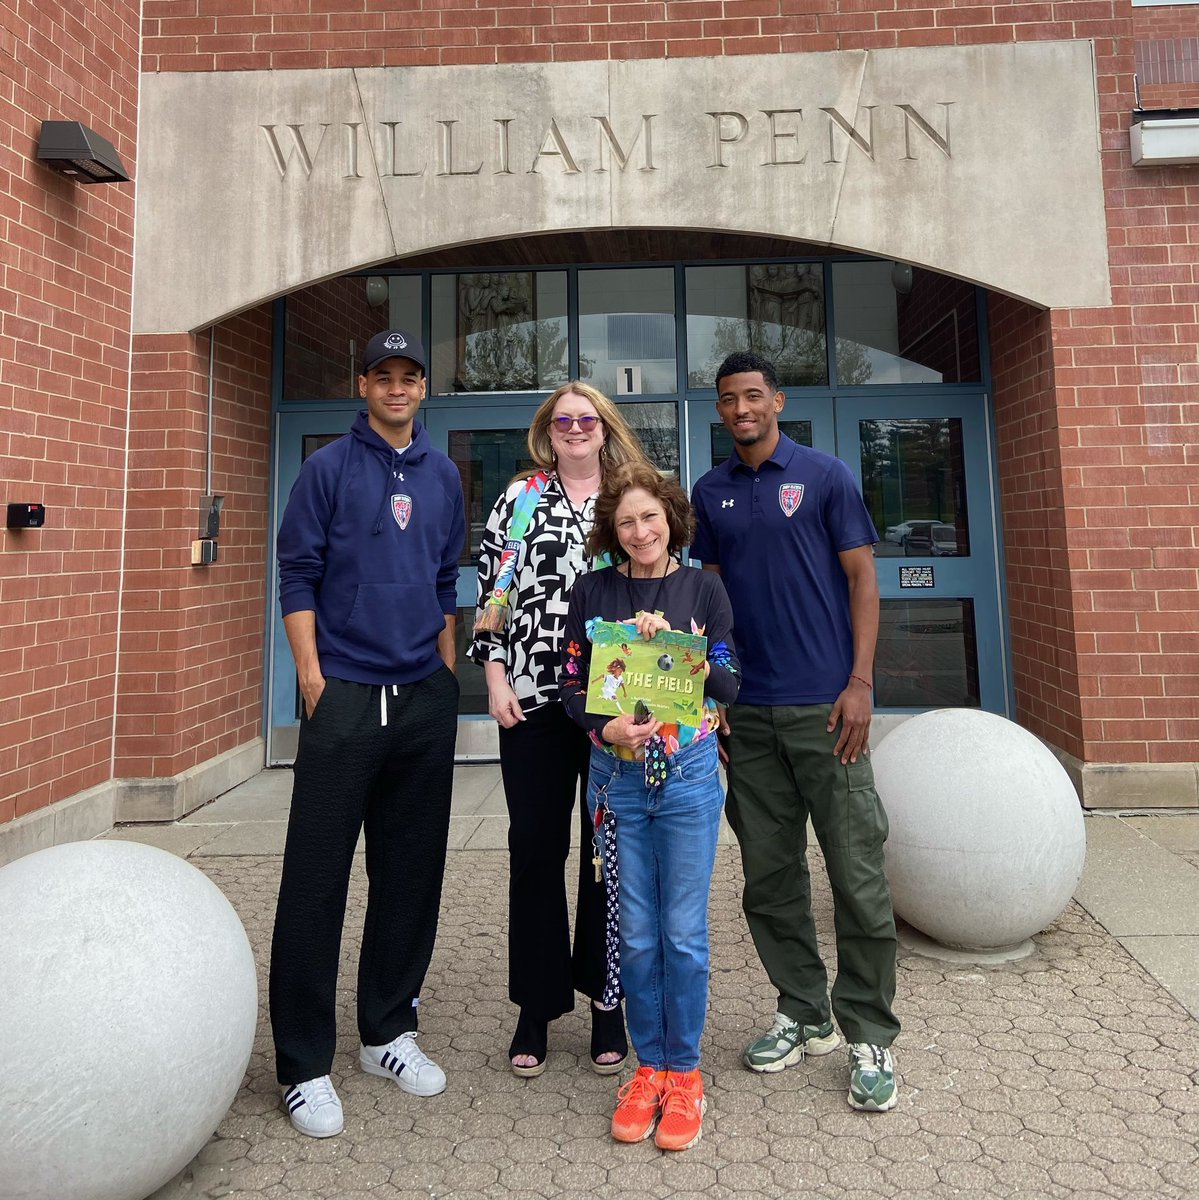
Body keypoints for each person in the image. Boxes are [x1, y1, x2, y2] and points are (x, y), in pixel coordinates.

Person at [690, 349, 901, 1113]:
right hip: (747, 716)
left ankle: (869, 1031)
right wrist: (716, 693)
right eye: (727, 400)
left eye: (752, 396)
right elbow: (707, 599)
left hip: (826, 710)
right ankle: (803, 1010)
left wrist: (859, 685)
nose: (740, 409)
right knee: (770, 881)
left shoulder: (824, 476)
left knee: (858, 878)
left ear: (776, 400)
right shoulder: (707, 494)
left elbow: (861, 579)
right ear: (719, 411)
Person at [270, 328, 464, 1138]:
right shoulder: (326, 468)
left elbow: (447, 581)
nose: (396, 387)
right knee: (317, 882)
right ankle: (304, 1065)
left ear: (423, 388)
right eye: (382, 375)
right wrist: (312, 680)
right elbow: (297, 574)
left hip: (421, 696)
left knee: (410, 875)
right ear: (363, 385)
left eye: (408, 376)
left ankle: (386, 1031)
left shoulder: (444, 472)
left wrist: (447, 680)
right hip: (345, 694)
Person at [559, 462, 741, 1151]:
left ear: (672, 520)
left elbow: (729, 684)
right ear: (612, 527)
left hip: (689, 776)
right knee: (633, 934)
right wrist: (600, 728)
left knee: (682, 934)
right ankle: (647, 1069)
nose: (640, 531)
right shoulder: (592, 590)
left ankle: (684, 1073)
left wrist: (670, 645)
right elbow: (571, 684)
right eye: (626, 520)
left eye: (651, 517)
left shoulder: (704, 588)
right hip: (617, 778)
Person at [469, 382, 647, 1078]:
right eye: (563, 419)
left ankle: (608, 999)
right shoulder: (518, 499)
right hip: (534, 700)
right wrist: (490, 673)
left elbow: (654, 581)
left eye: (588, 418)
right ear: (549, 430)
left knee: (609, 852)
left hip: (608, 701)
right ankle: (536, 1004)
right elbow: (494, 590)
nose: (576, 428)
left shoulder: (627, 498)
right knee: (536, 850)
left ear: (605, 428)